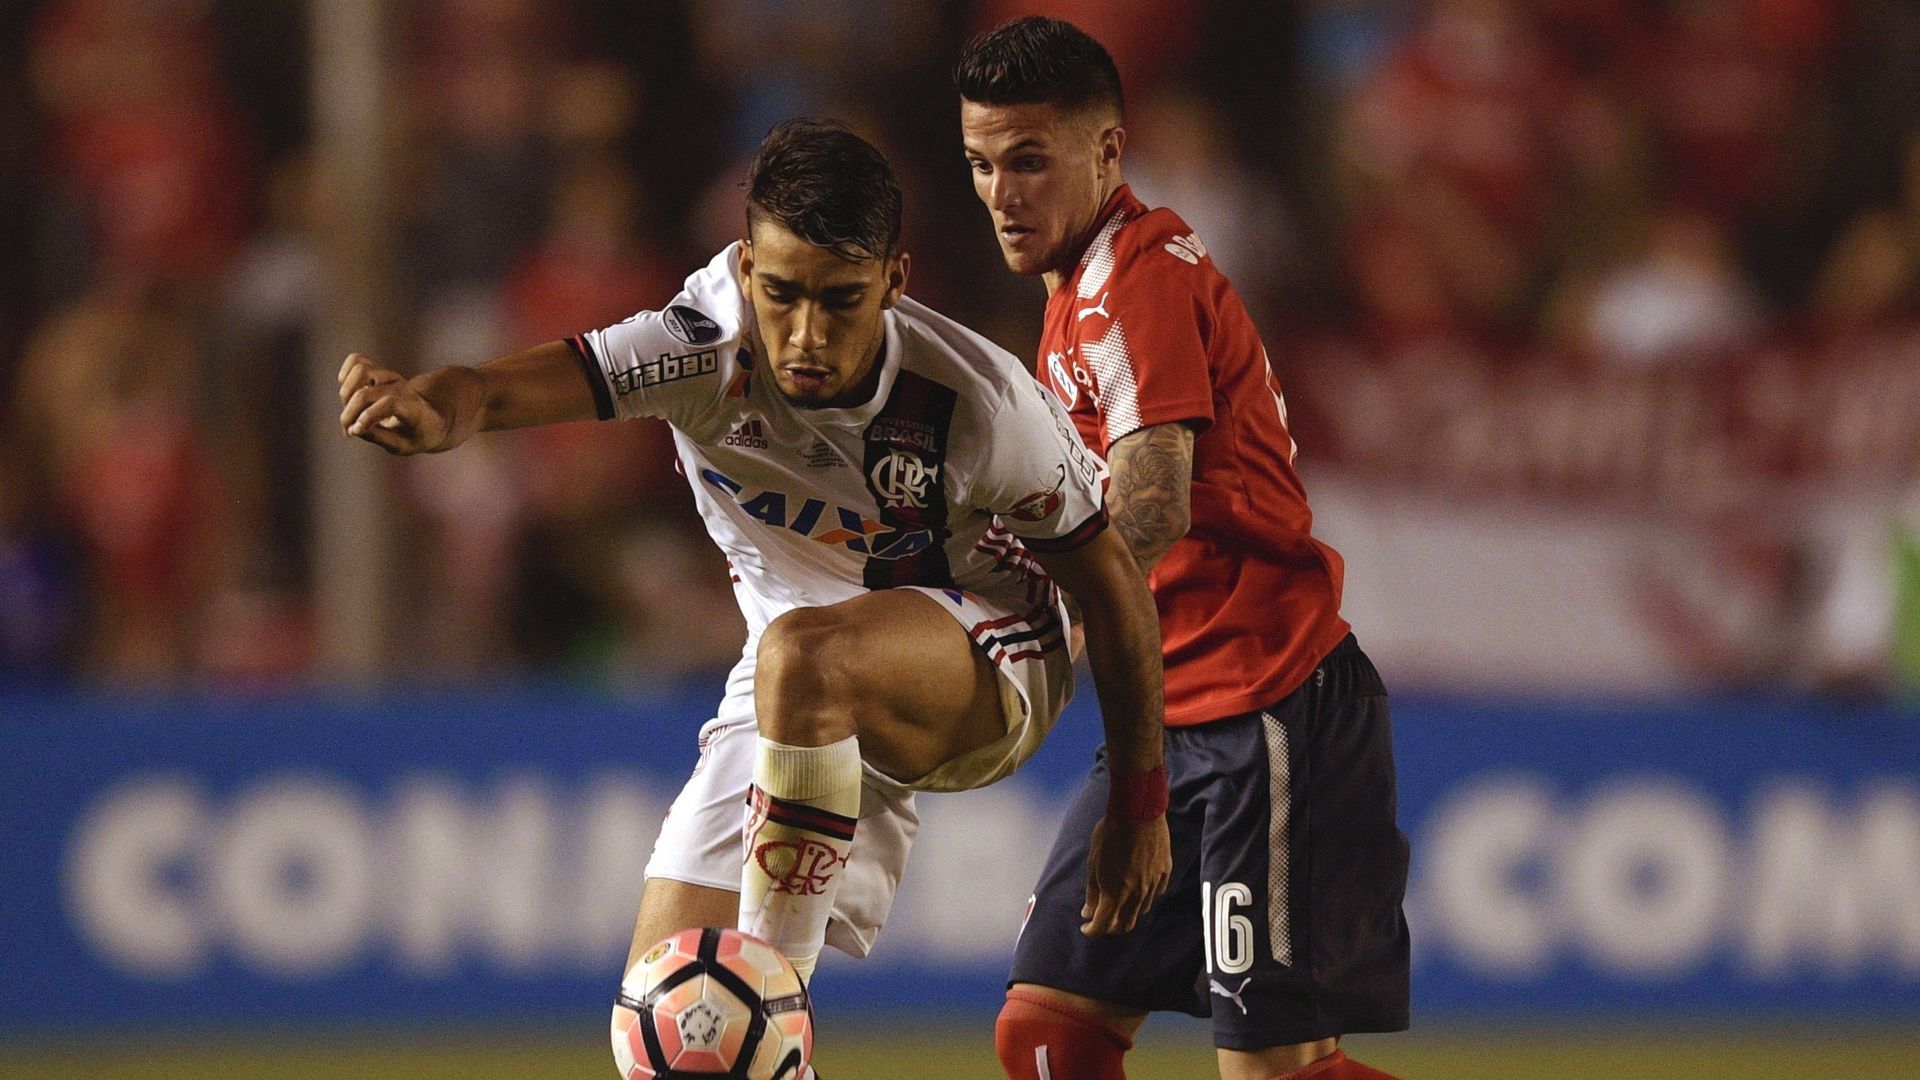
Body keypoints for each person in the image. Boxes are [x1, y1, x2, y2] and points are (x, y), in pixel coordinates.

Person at [338, 119, 1172, 1002]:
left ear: (895, 279)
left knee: (805, 663)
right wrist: (438, 404)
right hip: (788, 693)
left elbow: (1115, 584)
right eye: (782, 294)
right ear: (745, 267)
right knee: (667, 1019)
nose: (806, 334)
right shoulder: (698, 347)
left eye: (841, 300)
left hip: (988, 649)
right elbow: (499, 388)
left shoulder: (978, 400)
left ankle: (776, 1006)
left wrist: (1138, 805)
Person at [955, 18, 1410, 1080]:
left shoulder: (1134, 282)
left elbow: (1150, 506)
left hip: (1266, 707)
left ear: (1108, 152)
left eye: (1030, 160)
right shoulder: (1075, 296)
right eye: (980, 164)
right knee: (1048, 1037)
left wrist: (1026, 611)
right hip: (1171, 714)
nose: (1001, 193)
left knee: (1272, 1074)